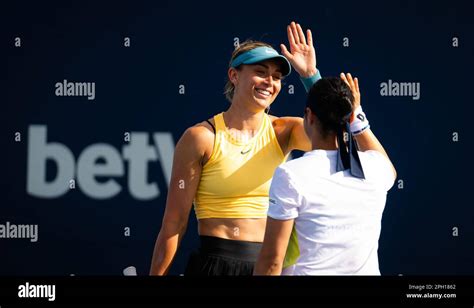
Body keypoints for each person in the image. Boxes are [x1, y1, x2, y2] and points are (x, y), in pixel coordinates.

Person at [149, 22, 385, 276]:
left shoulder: (285, 131)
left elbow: (340, 141)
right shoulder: (201, 137)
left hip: (274, 266)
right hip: (216, 265)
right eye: (261, 72)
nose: (269, 82)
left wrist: (310, 77)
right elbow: (174, 224)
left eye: (276, 77)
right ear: (234, 75)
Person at [254, 73, 397, 275]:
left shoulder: (290, 174)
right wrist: (357, 115)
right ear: (351, 118)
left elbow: (271, 263)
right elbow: (388, 167)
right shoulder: (377, 167)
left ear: (309, 116)